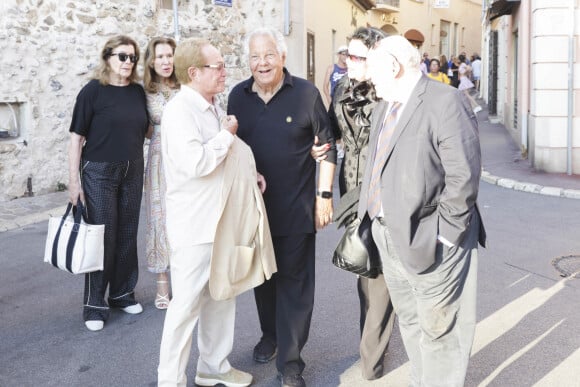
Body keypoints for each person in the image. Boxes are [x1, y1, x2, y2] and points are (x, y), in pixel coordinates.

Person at [359, 35, 486, 387]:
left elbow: (463, 177)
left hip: (433, 239)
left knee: (440, 331)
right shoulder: (386, 105)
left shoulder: (446, 101)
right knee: (412, 322)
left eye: (373, 72)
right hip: (390, 237)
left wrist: (444, 235)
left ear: (394, 67)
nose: (369, 80)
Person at [157, 37, 273, 387]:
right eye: (217, 66)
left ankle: (213, 367)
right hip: (195, 226)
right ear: (193, 72)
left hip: (221, 222)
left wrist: (249, 173)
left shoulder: (210, 106)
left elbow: (224, 158)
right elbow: (197, 162)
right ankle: (170, 380)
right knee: (185, 308)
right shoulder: (180, 111)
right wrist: (226, 136)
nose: (225, 72)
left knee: (222, 296)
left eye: (223, 65)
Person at [227, 27, 337, 387]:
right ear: (249, 61)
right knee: (263, 280)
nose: (262, 63)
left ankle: (291, 363)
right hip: (254, 211)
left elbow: (327, 145)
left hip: (296, 208)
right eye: (256, 57)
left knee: (294, 285)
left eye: (269, 55)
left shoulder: (305, 94)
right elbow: (230, 150)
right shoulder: (237, 97)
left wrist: (323, 196)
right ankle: (270, 336)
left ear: (282, 57)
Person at [312, 26, 395, 381]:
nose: (350, 62)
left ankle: (371, 358)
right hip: (351, 190)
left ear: (375, 57)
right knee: (364, 269)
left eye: (359, 56)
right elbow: (330, 133)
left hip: (384, 189)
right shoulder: (342, 87)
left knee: (380, 279)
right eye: (349, 54)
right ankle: (372, 344)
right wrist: (319, 148)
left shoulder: (391, 91)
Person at [68, 35, 149, 332]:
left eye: (132, 58)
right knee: (102, 238)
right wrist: (73, 181)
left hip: (132, 170)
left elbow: (149, 130)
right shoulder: (92, 92)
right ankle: (95, 305)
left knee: (127, 233)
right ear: (107, 57)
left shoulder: (138, 93)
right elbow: (76, 138)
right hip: (99, 171)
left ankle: (122, 294)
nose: (128, 62)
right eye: (122, 56)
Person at [143, 36, 180, 310]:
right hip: (158, 159)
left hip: (183, 158)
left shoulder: (186, 87)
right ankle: (162, 283)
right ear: (151, 61)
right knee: (159, 217)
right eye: (160, 57)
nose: (166, 61)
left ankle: (183, 278)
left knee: (183, 216)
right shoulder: (145, 92)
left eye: (169, 56)